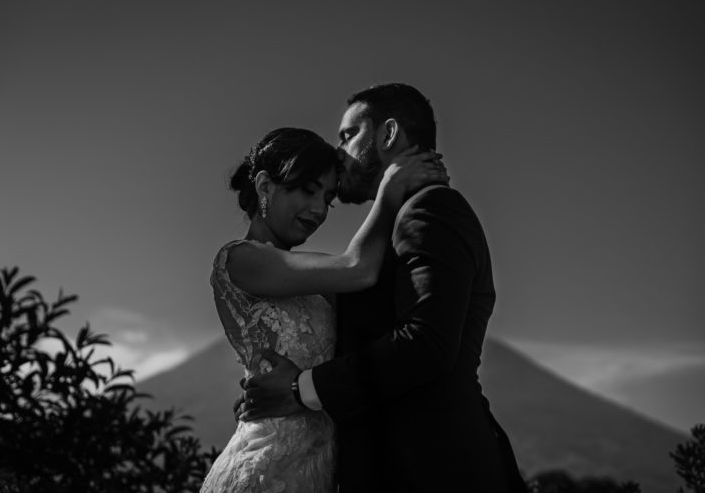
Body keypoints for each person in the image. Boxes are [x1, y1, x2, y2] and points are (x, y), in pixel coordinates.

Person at [238, 84, 528, 492]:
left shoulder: (430, 210)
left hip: (433, 468)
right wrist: (265, 391)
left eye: (348, 135)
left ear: (388, 134)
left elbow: (426, 344)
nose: (338, 152)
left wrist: (300, 390)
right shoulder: (390, 227)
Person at [200, 127, 447, 493]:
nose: (318, 210)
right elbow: (358, 268)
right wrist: (390, 190)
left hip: (322, 467)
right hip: (266, 468)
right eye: (307, 190)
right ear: (265, 185)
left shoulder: (314, 280)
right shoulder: (239, 258)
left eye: (328, 199)